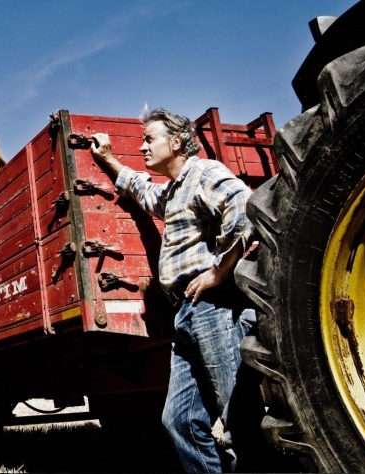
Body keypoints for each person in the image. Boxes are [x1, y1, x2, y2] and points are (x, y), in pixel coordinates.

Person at [90, 108, 255, 473]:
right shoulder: (176, 190)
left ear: (177, 142)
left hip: (215, 307)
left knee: (236, 420)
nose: (143, 147)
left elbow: (243, 204)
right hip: (186, 312)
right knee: (179, 421)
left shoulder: (204, 172)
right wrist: (107, 158)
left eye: (150, 139)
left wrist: (219, 270)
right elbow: (141, 189)